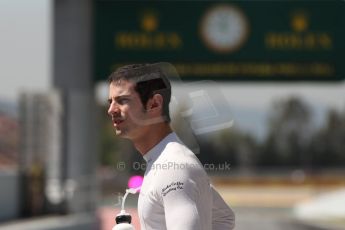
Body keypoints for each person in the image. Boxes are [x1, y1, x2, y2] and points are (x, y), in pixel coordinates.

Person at [107, 63, 235, 230]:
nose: (111, 110)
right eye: (110, 102)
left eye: (122, 100)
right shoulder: (167, 161)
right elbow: (224, 218)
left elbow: (224, 219)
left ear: (154, 104)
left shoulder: (174, 168)